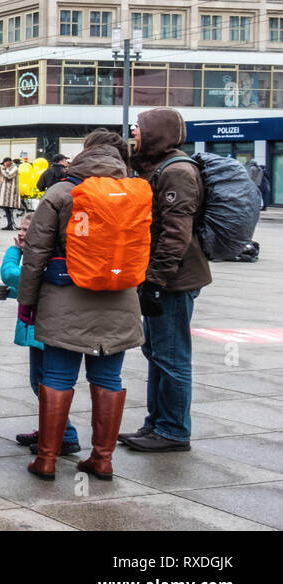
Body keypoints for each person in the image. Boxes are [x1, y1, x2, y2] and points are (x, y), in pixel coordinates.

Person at [17, 130, 141, 481]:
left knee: (56, 376)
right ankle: (102, 459)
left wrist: (26, 301)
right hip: (119, 297)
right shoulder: (133, 192)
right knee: (108, 378)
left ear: (84, 153)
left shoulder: (60, 192)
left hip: (63, 299)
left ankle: (47, 459)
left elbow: (35, 254)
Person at [121, 108, 212, 453]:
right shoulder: (161, 166)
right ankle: (157, 423)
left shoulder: (177, 171)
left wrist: (156, 281)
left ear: (157, 132)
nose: (135, 135)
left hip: (174, 278)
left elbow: (176, 235)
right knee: (157, 350)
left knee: (171, 355)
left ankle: (173, 429)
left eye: (140, 129)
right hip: (163, 276)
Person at [0, 214, 81, 457]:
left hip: (45, 331)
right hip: (40, 332)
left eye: (27, 230)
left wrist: (14, 250)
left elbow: (10, 274)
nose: (21, 234)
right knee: (41, 383)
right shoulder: (41, 260)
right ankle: (51, 431)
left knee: (45, 384)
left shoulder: (41, 262)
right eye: (21, 229)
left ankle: (65, 435)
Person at [0, 156, 21, 231]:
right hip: (6, 193)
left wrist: (2, 170)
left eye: (4, 163)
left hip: (11, 193)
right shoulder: (6, 169)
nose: (3, 165)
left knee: (10, 209)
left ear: (8, 162)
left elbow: (8, 176)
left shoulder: (14, 168)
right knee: (6, 209)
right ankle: (9, 224)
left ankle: (12, 224)